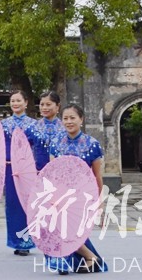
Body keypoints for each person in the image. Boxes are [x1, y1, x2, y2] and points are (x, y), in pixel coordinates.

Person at [45, 104, 108, 274]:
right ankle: (76, 260)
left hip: (82, 196)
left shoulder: (92, 144)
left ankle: (90, 258)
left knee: (69, 231)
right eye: (65, 118)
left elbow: (97, 176)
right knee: (59, 228)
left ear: (81, 119)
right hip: (59, 194)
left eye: (73, 118)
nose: (69, 121)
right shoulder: (56, 143)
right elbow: (52, 173)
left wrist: (100, 201)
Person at [0, 90, 36, 256]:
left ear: (26, 103)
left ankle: (26, 242)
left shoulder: (34, 124)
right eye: (12, 101)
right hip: (10, 168)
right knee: (13, 205)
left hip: (27, 170)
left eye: (18, 100)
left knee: (27, 205)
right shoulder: (3, 124)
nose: (15, 103)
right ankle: (16, 241)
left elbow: (37, 148)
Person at [28, 91, 65, 170]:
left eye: (48, 104)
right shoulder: (33, 128)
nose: (44, 108)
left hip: (60, 172)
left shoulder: (65, 128)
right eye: (42, 104)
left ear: (57, 106)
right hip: (37, 172)